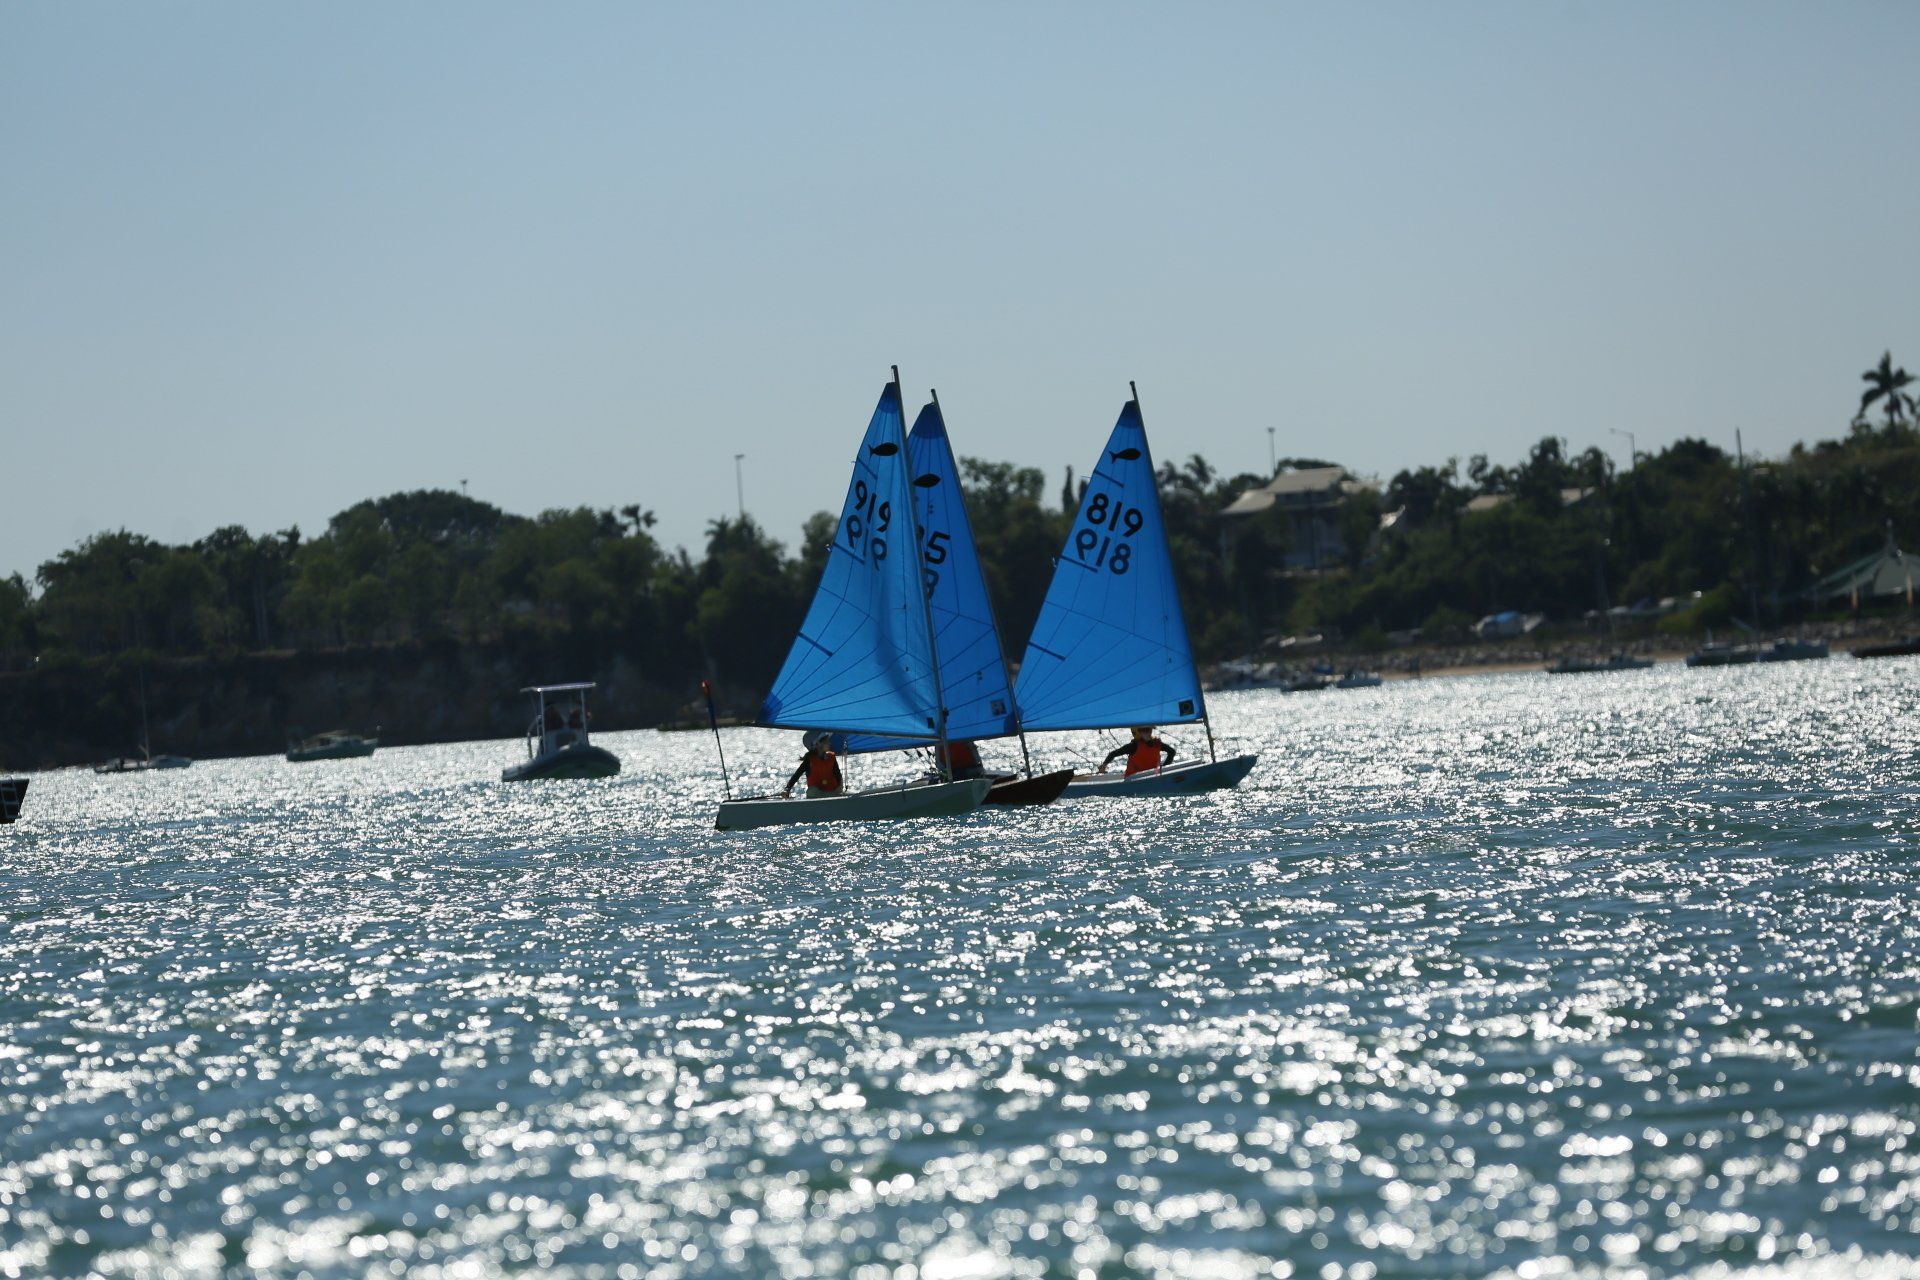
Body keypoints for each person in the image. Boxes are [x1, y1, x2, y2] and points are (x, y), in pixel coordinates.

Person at [1098, 726, 1175, 778]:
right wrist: (1104, 765)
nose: (1148, 732)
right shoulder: (1133, 746)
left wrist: (1164, 768)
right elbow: (1113, 754)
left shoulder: (1157, 743)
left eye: (1149, 730)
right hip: (1133, 778)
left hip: (1152, 776)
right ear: (1138, 733)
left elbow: (1172, 752)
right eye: (1144, 730)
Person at [783, 733, 843, 798]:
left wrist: (840, 787)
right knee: (813, 791)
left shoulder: (831, 757)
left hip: (831, 792)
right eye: (826, 742)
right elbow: (797, 775)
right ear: (819, 744)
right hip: (815, 793)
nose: (829, 744)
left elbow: (838, 775)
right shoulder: (809, 759)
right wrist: (787, 789)